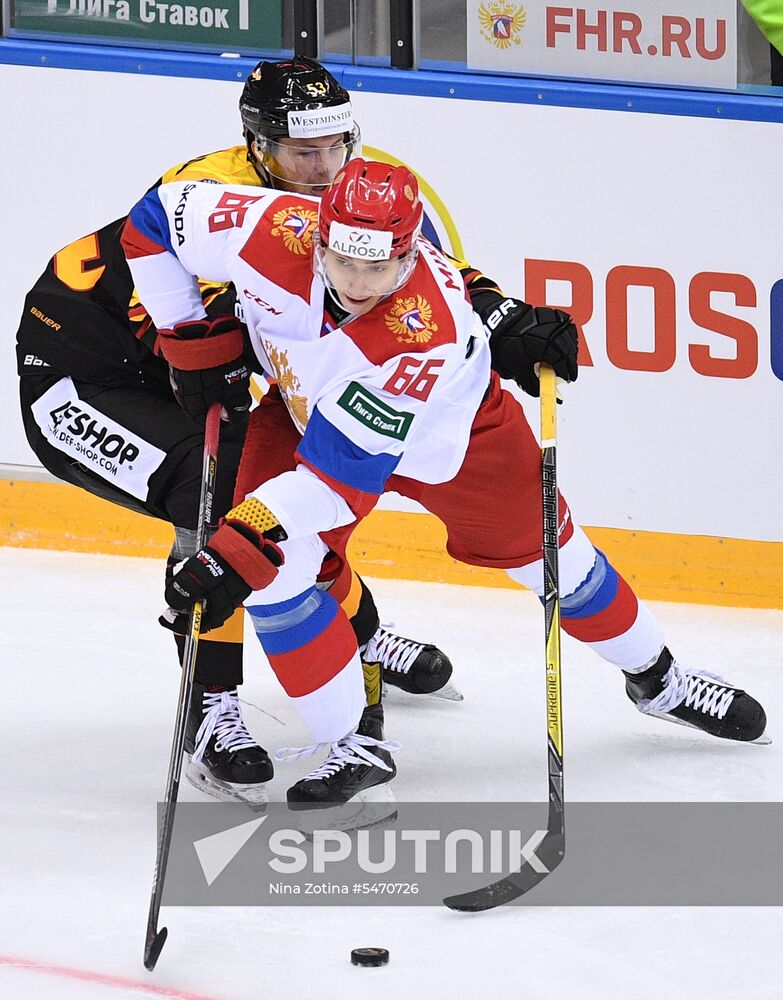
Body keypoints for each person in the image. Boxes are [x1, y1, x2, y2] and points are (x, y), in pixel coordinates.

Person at [121, 158, 768, 807]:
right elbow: (150, 224)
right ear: (316, 233)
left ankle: (658, 680)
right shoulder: (270, 228)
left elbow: (333, 485)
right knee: (277, 571)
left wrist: (242, 536)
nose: (356, 281)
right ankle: (352, 742)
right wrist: (184, 333)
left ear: (410, 252)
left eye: (378, 267)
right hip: (299, 414)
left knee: (558, 563)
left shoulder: (424, 329)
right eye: (343, 259)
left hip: (452, 443)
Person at [17, 56, 573, 804]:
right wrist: (198, 349)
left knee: (273, 503)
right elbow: (173, 283)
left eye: (334, 146)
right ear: (256, 145)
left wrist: (502, 317)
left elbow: (425, 275)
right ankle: (212, 703)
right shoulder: (219, 191)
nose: (320, 168)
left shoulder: (363, 189)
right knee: (216, 500)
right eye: (297, 153)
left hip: (195, 363)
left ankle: (352, 634)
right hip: (86, 373)